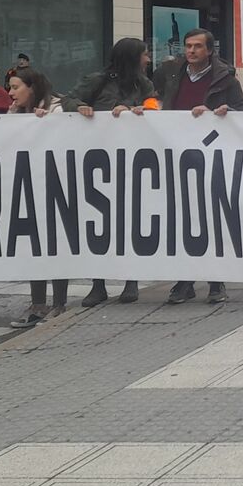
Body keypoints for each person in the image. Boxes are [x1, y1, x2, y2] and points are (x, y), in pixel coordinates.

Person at [153, 28, 243, 306]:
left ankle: (216, 281)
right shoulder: (170, 73)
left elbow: (240, 113)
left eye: (197, 47)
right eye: (188, 46)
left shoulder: (225, 79)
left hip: (211, 155)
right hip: (176, 152)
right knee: (181, 219)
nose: (191, 51)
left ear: (209, 50)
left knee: (211, 217)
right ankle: (185, 280)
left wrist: (219, 114)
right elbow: (157, 100)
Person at [63, 38, 157, 307]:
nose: (148, 60)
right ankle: (98, 284)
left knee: (129, 221)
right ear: (131, 57)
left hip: (129, 162)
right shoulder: (98, 80)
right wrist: (79, 108)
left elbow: (155, 107)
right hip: (96, 161)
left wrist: (137, 110)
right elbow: (69, 99)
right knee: (97, 222)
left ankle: (131, 281)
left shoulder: (144, 85)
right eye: (144, 55)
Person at [0, 68, 73, 328]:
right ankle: (37, 302)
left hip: (55, 187)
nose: (10, 92)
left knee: (56, 244)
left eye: (15, 87)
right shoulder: (15, 113)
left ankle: (59, 302)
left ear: (32, 87)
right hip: (28, 187)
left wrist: (47, 125)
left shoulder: (57, 110)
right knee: (34, 246)